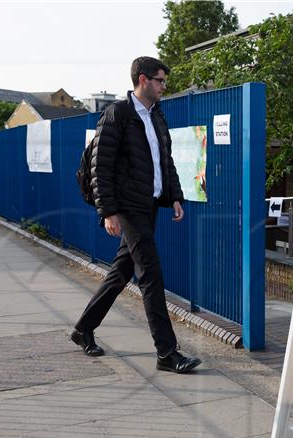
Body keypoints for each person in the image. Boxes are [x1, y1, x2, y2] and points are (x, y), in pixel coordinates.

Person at [70, 56, 201, 374]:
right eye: (160, 81)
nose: (163, 87)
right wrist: (109, 211)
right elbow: (101, 166)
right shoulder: (119, 113)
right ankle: (166, 353)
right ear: (143, 80)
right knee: (151, 275)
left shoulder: (156, 115)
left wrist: (175, 197)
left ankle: (82, 328)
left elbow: (165, 161)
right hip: (127, 208)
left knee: (120, 274)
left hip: (149, 205)